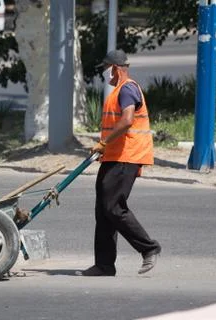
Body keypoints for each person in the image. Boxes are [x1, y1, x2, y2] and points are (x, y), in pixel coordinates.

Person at [79, 50, 161, 276]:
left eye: (105, 68)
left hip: (128, 156)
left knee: (114, 208)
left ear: (115, 68)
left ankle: (149, 248)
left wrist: (104, 141)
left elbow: (126, 121)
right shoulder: (117, 92)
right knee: (103, 211)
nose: (105, 73)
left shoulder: (127, 89)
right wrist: (103, 148)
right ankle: (104, 264)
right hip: (113, 157)